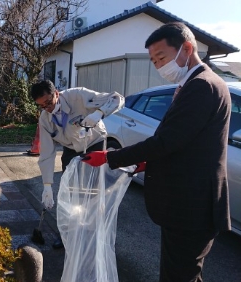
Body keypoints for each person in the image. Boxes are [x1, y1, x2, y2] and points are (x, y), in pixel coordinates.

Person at [82, 22, 231, 282]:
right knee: (183, 273)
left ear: (187, 48)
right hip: (187, 205)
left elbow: (166, 141)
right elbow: (186, 145)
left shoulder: (202, 86)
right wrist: (145, 162)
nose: (159, 65)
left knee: (179, 275)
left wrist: (110, 157)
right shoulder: (193, 84)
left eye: (161, 57)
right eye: (153, 61)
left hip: (192, 207)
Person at [31, 79, 124, 248]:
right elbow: (47, 152)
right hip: (71, 148)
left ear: (56, 93)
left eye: (48, 103)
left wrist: (98, 114)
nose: (47, 108)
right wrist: (46, 185)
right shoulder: (45, 119)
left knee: (93, 190)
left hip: (94, 142)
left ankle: (92, 232)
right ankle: (67, 234)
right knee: (69, 191)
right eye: (41, 106)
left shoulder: (78, 96)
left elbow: (117, 99)